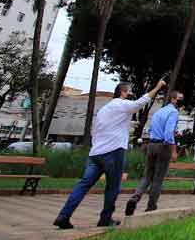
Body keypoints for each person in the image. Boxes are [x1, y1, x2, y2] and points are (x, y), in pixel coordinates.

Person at [53, 78, 165, 229]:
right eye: (129, 91)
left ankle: (64, 215)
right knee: (113, 187)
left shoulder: (104, 110)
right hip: (114, 151)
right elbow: (140, 103)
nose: (131, 93)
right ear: (123, 92)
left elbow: (97, 131)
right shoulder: (122, 103)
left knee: (83, 184)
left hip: (96, 153)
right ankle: (105, 219)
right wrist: (157, 87)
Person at [125, 90, 182, 216]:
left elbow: (151, 130)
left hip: (151, 145)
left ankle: (135, 198)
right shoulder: (173, 112)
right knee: (158, 179)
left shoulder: (159, 112)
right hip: (163, 147)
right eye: (179, 99)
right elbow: (167, 134)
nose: (181, 101)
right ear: (173, 99)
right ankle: (151, 207)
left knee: (147, 176)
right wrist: (174, 151)